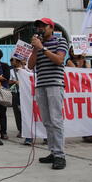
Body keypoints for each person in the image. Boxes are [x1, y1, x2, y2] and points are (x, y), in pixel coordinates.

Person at [28, 18, 69, 170]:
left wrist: (43, 49)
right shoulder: (38, 45)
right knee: (47, 121)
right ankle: (53, 151)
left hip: (55, 85)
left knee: (56, 120)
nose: (40, 28)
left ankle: (60, 155)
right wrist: (35, 49)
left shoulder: (60, 41)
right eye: (38, 26)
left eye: (43, 26)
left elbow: (59, 59)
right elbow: (30, 65)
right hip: (41, 86)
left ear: (51, 28)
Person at [9, 57, 33, 145]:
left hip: (28, 93)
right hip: (17, 93)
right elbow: (8, 81)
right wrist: (15, 82)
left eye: (13, 60)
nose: (12, 62)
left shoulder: (27, 69)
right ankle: (23, 131)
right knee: (18, 112)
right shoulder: (12, 71)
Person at [0, 49, 10, 140]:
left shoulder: (4, 65)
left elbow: (6, 77)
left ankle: (3, 132)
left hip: (2, 91)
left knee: (2, 113)